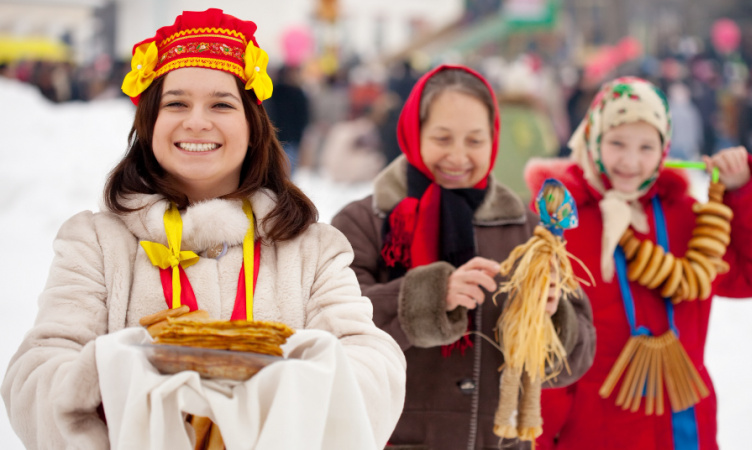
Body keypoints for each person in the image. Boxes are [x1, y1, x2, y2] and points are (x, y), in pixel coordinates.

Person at [1, 8, 405, 449]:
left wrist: (286, 393)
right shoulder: (95, 243)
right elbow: (33, 375)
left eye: (221, 104)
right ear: (149, 122)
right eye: (176, 103)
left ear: (252, 126)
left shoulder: (314, 249)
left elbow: (374, 366)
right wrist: (119, 376)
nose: (197, 121)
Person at [331, 64, 596, 449]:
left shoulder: (527, 230)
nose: (458, 156)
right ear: (413, 133)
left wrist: (551, 316)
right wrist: (431, 297)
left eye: (475, 140)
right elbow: (332, 332)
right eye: (442, 138)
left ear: (494, 140)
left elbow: (575, 358)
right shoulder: (366, 221)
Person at [524, 77, 752, 449]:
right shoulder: (560, 223)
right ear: (592, 139)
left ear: (664, 149)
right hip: (592, 428)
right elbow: (538, 336)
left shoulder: (686, 218)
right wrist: (546, 428)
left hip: (681, 423)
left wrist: (745, 190)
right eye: (617, 142)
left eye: (646, 146)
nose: (631, 162)